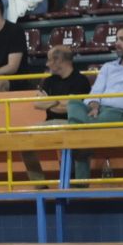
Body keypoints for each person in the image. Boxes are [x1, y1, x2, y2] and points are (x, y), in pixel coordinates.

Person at [28, 44, 92, 182]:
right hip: (49, 123)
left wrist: (51, 101)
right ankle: (39, 184)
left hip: (72, 122)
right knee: (24, 140)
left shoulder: (80, 81)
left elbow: (73, 107)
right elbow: (37, 104)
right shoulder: (48, 81)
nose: (47, 64)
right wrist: (59, 101)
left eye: (49, 60)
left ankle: (78, 185)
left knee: (76, 142)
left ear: (59, 61)